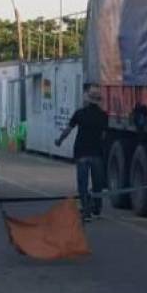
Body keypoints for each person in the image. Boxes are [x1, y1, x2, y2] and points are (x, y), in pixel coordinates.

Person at [55, 86, 108, 221]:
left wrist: (60, 140)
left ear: (87, 100)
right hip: (97, 154)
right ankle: (97, 210)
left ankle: (86, 211)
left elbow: (68, 129)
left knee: (82, 184)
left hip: (82, 153)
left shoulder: (80, 114)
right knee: (97, 184)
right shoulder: (103, 116)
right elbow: (103, 136)